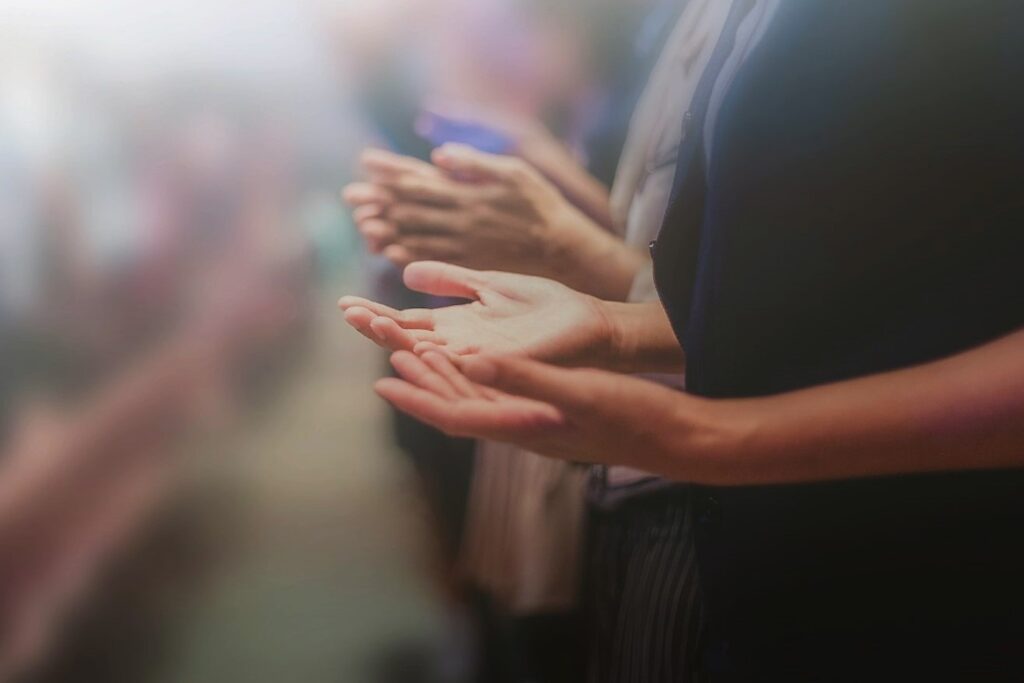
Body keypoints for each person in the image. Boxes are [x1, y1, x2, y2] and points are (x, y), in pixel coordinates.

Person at [341, 0, 1024, 678]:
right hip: (743, 542)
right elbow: (780, 290)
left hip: (904, 569)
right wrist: (614, 323)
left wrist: (696, 432)